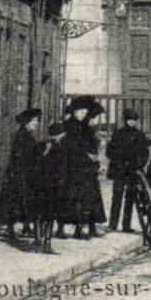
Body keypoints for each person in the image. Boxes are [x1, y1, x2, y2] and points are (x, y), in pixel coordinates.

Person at [0, 107, 54, 253]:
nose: (36, 124)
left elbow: (32, 150)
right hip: (21, 175)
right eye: (33, 121)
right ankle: (12, 232)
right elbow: (29, 155)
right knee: (16, 203)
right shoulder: (23, 136)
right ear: (26, 122)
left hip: (22, 174)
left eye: (37, 121)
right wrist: (44, 151)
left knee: (16, 204)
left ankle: (14, 231)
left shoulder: (25, 135)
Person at [56, 97, 107, 239]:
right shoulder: (67, 126)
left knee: (87, 198)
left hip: (86, 167)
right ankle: (61, 228)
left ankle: (83, 228)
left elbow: (90, 144)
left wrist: (94, 156)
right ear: (74, 111)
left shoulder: (86, 127)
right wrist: (86, 154)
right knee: (69, 198)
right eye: (80, 111)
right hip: (71, 167)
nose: (83, 114)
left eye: (85, 111)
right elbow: (69, 147)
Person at [106, 109, 151, 234]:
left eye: (134, 120)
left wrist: (138, 164)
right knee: (117, 196)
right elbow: (109, 151)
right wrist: (119, 158)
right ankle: (112, 224)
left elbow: (145, 153)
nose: (131, 122)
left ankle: (126, 225)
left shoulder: (140, 135)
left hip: (133, 171)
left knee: (130, 198)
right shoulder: (118, 134)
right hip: (120, 170)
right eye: (129, 120)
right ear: (125, 120)